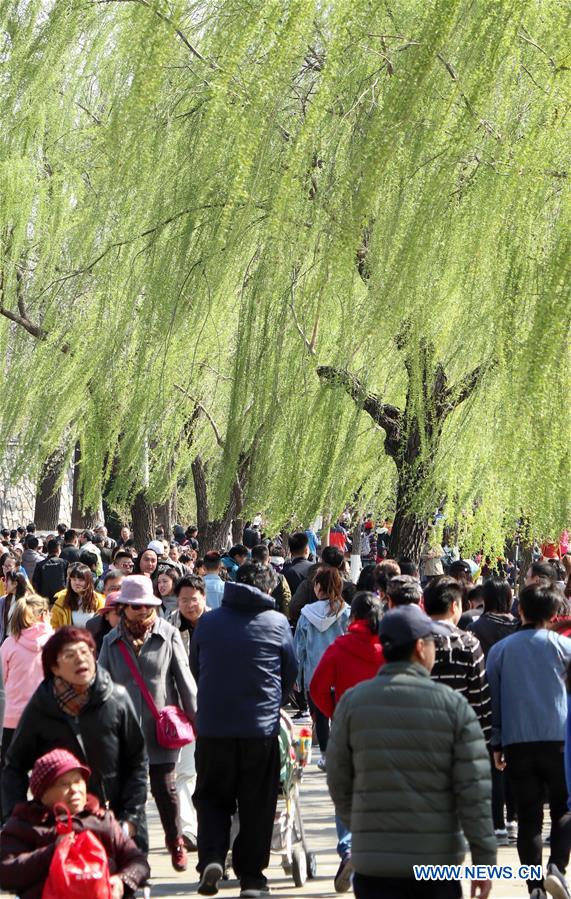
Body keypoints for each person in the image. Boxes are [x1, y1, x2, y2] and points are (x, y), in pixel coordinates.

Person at [327, 603, 495, 899]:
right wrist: (483, 861)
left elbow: (338, 779)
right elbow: (474, 792)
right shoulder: (453, 707)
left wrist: (361, 829)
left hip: (373, 866)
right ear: (420, 647)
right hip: (436, 865)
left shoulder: (352, 703)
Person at [190, 561, 297, 897]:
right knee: (257, 803)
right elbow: (289, 672)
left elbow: (197, 666)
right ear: (268, 590)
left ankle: (211, 858)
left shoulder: (207, 621)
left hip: (212, 726)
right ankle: (251, 877)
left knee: (211, 796)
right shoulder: (277, 622)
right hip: (259, 729)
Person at [2, 626, 148, 847]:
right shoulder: (41, 707)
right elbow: (14, 767)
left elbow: (137, 762)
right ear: (55, 668)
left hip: (118, 824)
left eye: (85, 652)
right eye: (70, 655)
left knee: (127, 879)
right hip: (61, 827)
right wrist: (17, 821)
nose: (80, 660)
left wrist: (130, 819)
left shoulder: (116, 699)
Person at [99, 575, 197, 872]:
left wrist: (198, 721)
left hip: (160, 730)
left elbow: (185, 681)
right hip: (124, 732)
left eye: (148, 606)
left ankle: (175, 841)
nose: (143, 612)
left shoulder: (168, 634)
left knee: (166, 791)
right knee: (131, 797)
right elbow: (100, 687)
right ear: (125, 607)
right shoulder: (110, 641)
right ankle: (134, 856)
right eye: (137, 607)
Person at [487, 583, 571, 899]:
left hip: (517, 742)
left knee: (528, 817)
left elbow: (492, 699)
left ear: (520, 610)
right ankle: (556, 869)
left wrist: (497, 742)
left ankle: (534, 886)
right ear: (554, 614)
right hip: (560, 741)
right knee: (564, 809)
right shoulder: (565, 649)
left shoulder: (501, 650)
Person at [0, 748, 150, 898]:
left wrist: (122, 880)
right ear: (43, 793)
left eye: (78, 781)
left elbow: (138, 861)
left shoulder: (101, 820)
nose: (74, 789)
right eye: (64, 784)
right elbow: (6, 872)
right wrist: (53, 852)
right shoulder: (26, 823)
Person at [310, 591, 384, 891]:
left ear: (352, 619)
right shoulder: (389, 649)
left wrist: (334, 712)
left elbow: (316, 687)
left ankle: (350, 848)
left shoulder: (340, 647)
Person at [469, 578, 519, 846]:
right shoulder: (518, 626)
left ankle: (497, 823)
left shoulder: (476, 627)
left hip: (487, 698)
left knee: (493, 763)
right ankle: (513, 819)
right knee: (512, 761)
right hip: (516, 698)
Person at [294, 567, 351, 771]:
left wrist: (297, 679)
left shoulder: (306, 614)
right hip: (341, 674)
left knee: (320, 716)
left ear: (318, 587)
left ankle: (326, 755)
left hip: (314, 675)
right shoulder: (347, 612)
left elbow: (298, 649)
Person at [169, 574, 211, 852]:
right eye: (183, 600)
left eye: (193, 599)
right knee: (184, 772)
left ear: (203, 598)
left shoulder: (217, 623)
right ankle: (188, 830)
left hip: (214, 707)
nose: (188, 605)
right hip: (181, 709)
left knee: (209, 771)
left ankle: (212, 824)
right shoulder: (168, 626)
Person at [423, 577, 492, 743]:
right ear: (454, 606)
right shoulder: (468, 644)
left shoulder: (413, 641)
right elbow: (480, 700)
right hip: (458, 738)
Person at [0, 595, 53, 801]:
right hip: (47, 717)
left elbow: (3, 679)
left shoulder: (9, 644)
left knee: (12, 772)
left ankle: (12, 820)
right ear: (44, 615)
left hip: (14, 718)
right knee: (49, 771)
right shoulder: (54, 641)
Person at [51, 562, 105, 629]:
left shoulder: (100, 600)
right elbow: (53, 625)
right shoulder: (61, 601)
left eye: (81, 580)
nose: (76, 583)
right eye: (74, 579)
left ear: (89, 581)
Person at [251, 544, 292, 617]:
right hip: (274, 617)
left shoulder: (245, 576)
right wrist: (286, 618)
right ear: (269, 559)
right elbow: (286, 599)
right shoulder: (280, 578)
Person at [0, 571, 34, 644]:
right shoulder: (3, 601)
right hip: (5, 641)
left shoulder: (28, 602)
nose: (4, 584)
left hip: (21, 643)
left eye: (6, 581)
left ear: (15, 584)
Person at [31, 538, 68, 603]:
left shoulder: (40, 565)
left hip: (45, 600)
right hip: (61, 599)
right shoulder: (64, 563)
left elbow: (35, 583)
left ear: (48, 549)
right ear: (58, 549)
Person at [86, 591, 121, 656]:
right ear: (106, 616)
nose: (122, 618)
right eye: (118, 614)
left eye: (125, 613)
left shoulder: (138, 637)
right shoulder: (96, 642)